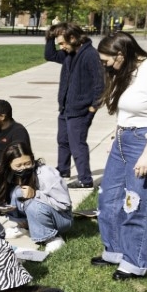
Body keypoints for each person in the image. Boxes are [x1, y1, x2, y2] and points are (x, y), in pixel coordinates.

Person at [93, 31, 147, 280]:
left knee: (136, 203)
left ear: (121, 54)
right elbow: (129, 111)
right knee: (109, 198)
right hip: (124, 139)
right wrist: (117, 138)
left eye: (106, 61)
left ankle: (134, 263)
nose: (105, 66)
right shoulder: (127, 70)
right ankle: (115, 250)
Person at [45, 23, 105, 189]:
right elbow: (49, 55)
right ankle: (63, 171)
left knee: (77, 144)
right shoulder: (68, 54)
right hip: (65, 108)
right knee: (63, 141)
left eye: (63, 43)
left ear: (73, 38)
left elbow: (100, 84)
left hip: (80, 111)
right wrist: (50, 35)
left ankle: (85, 180)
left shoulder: (90, 55)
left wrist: (93, 108)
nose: (62, 47)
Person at [0, 141, 73, 252]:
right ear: (9, 165)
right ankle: (25, 226)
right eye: (18, 165)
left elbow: (65, 205)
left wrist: (36, 194)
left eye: (28, 163)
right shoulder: (8, 175)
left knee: (33, 204)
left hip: (62, 218)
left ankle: (51, 237)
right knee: (16, 193)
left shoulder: (46, 173)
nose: (24, 168)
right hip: (36, 212)